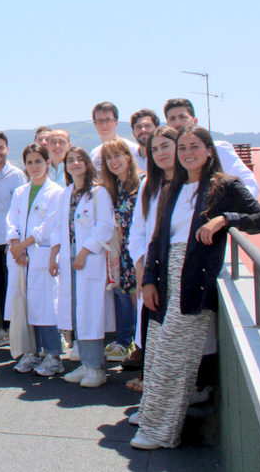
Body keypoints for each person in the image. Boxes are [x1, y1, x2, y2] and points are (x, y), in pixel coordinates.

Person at [133, 126, 260, 450]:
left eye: (194, 146)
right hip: (164, 275)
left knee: (174, 358)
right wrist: (149, 280)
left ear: (210, 151)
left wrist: (224, 219)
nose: (187, 153)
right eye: (182, 148)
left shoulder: (224, 186)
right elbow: (157, 238)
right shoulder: (172, 188)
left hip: (194, 277)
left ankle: (160, 433)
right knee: (157, 354)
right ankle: (150, 421)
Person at [39, 147, 115, 388]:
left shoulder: (99, 193)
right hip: (68, 258)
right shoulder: (66, 193)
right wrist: (54, 254)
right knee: (75, 312)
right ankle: (85, 363)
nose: (75, 163)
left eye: (79, 159)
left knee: (89, 312)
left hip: (89, 259)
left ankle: (96, 368)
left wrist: (84, 252)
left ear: (88, 164)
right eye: (70, 160)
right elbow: (58, 226)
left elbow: (105, 226)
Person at [125, 126, 179, 398]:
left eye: (165, 146)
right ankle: (151, 382)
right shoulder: (149, 184)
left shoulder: (189, 183)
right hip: (149, 270)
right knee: (151, 326)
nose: (160, 153)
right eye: (154, 149)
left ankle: (165, 390)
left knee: (173, 332)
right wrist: (140, 268)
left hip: (176, 269)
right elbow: (137, 230)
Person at [7, 144, 64, 376]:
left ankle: (53, 355)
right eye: (29, 162)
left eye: (38, 161)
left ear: (48, 162)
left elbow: (48, 225)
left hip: (40, 255)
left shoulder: (56, 192)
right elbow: (11, 220)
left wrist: (23, 245)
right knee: (25, 306)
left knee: (46, 306)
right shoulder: (20, 192)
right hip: (20, 257)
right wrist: (15, 246)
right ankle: (30, 352)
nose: (34, 166)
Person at [100, 138, 144, 364]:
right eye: (108, 158)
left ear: (128, 156)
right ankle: (127, 342)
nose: (113, 161)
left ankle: (141, 348)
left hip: (141, 251)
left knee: (140, 298)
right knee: (124, 295)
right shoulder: (113, 187)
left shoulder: (144, 183)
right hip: (122, 251)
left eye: (118, 155)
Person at [0, 131, 27, 347]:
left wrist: (16, 241)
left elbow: (20, 210)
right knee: (0, 286)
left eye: (0, 148)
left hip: (8, 242)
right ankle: (5, 328)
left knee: (13, 287)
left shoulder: (16, 175)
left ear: (7, 149)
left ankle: (15, 331)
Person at [163, 98, 259, 199]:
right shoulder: (165, 157)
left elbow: (248, 183)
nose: (178, 123)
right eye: (172, 119)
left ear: (195, 121)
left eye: (183, 117)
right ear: (167, 125)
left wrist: (232, 206)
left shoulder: (218, 149)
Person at [90, 102, 143, 173]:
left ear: (116, 122)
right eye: (100, 121)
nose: (104, 124)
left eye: (108, 120)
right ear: (95, 124)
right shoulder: (94, 154)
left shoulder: (131, 148)